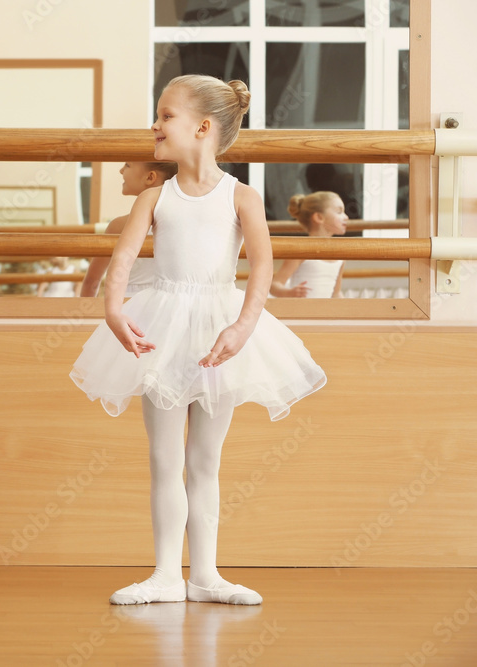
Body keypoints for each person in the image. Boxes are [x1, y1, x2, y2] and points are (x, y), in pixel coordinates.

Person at [70, 75, 325, 606]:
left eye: (166, 115)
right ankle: (166, 573)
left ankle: (205, 574)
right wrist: (113, 311)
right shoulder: (154, 197)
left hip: (217, 329)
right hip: (161, 329)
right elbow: (121, 261)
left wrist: (243, 326)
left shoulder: (242, 197)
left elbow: (261, 267)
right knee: (164, 458)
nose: (155, 125)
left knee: (205, 460)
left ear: (203, 127)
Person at [80, 162, 179, 297]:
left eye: (127, 165)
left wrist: (86, 310)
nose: (121, 170)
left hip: (126, 303)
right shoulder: (181, 223)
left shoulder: (119, 226)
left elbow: (91, 282)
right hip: (168, 303)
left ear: (150, 177)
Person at [269, 191, 348, 298]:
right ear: (319, 217)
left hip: (324, 309)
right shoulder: (301, 251)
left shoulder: (341, 254)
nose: (346, 217)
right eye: (339, 212)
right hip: (300, 308)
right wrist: (289, 293)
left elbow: (336, 293)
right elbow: (274, 285)